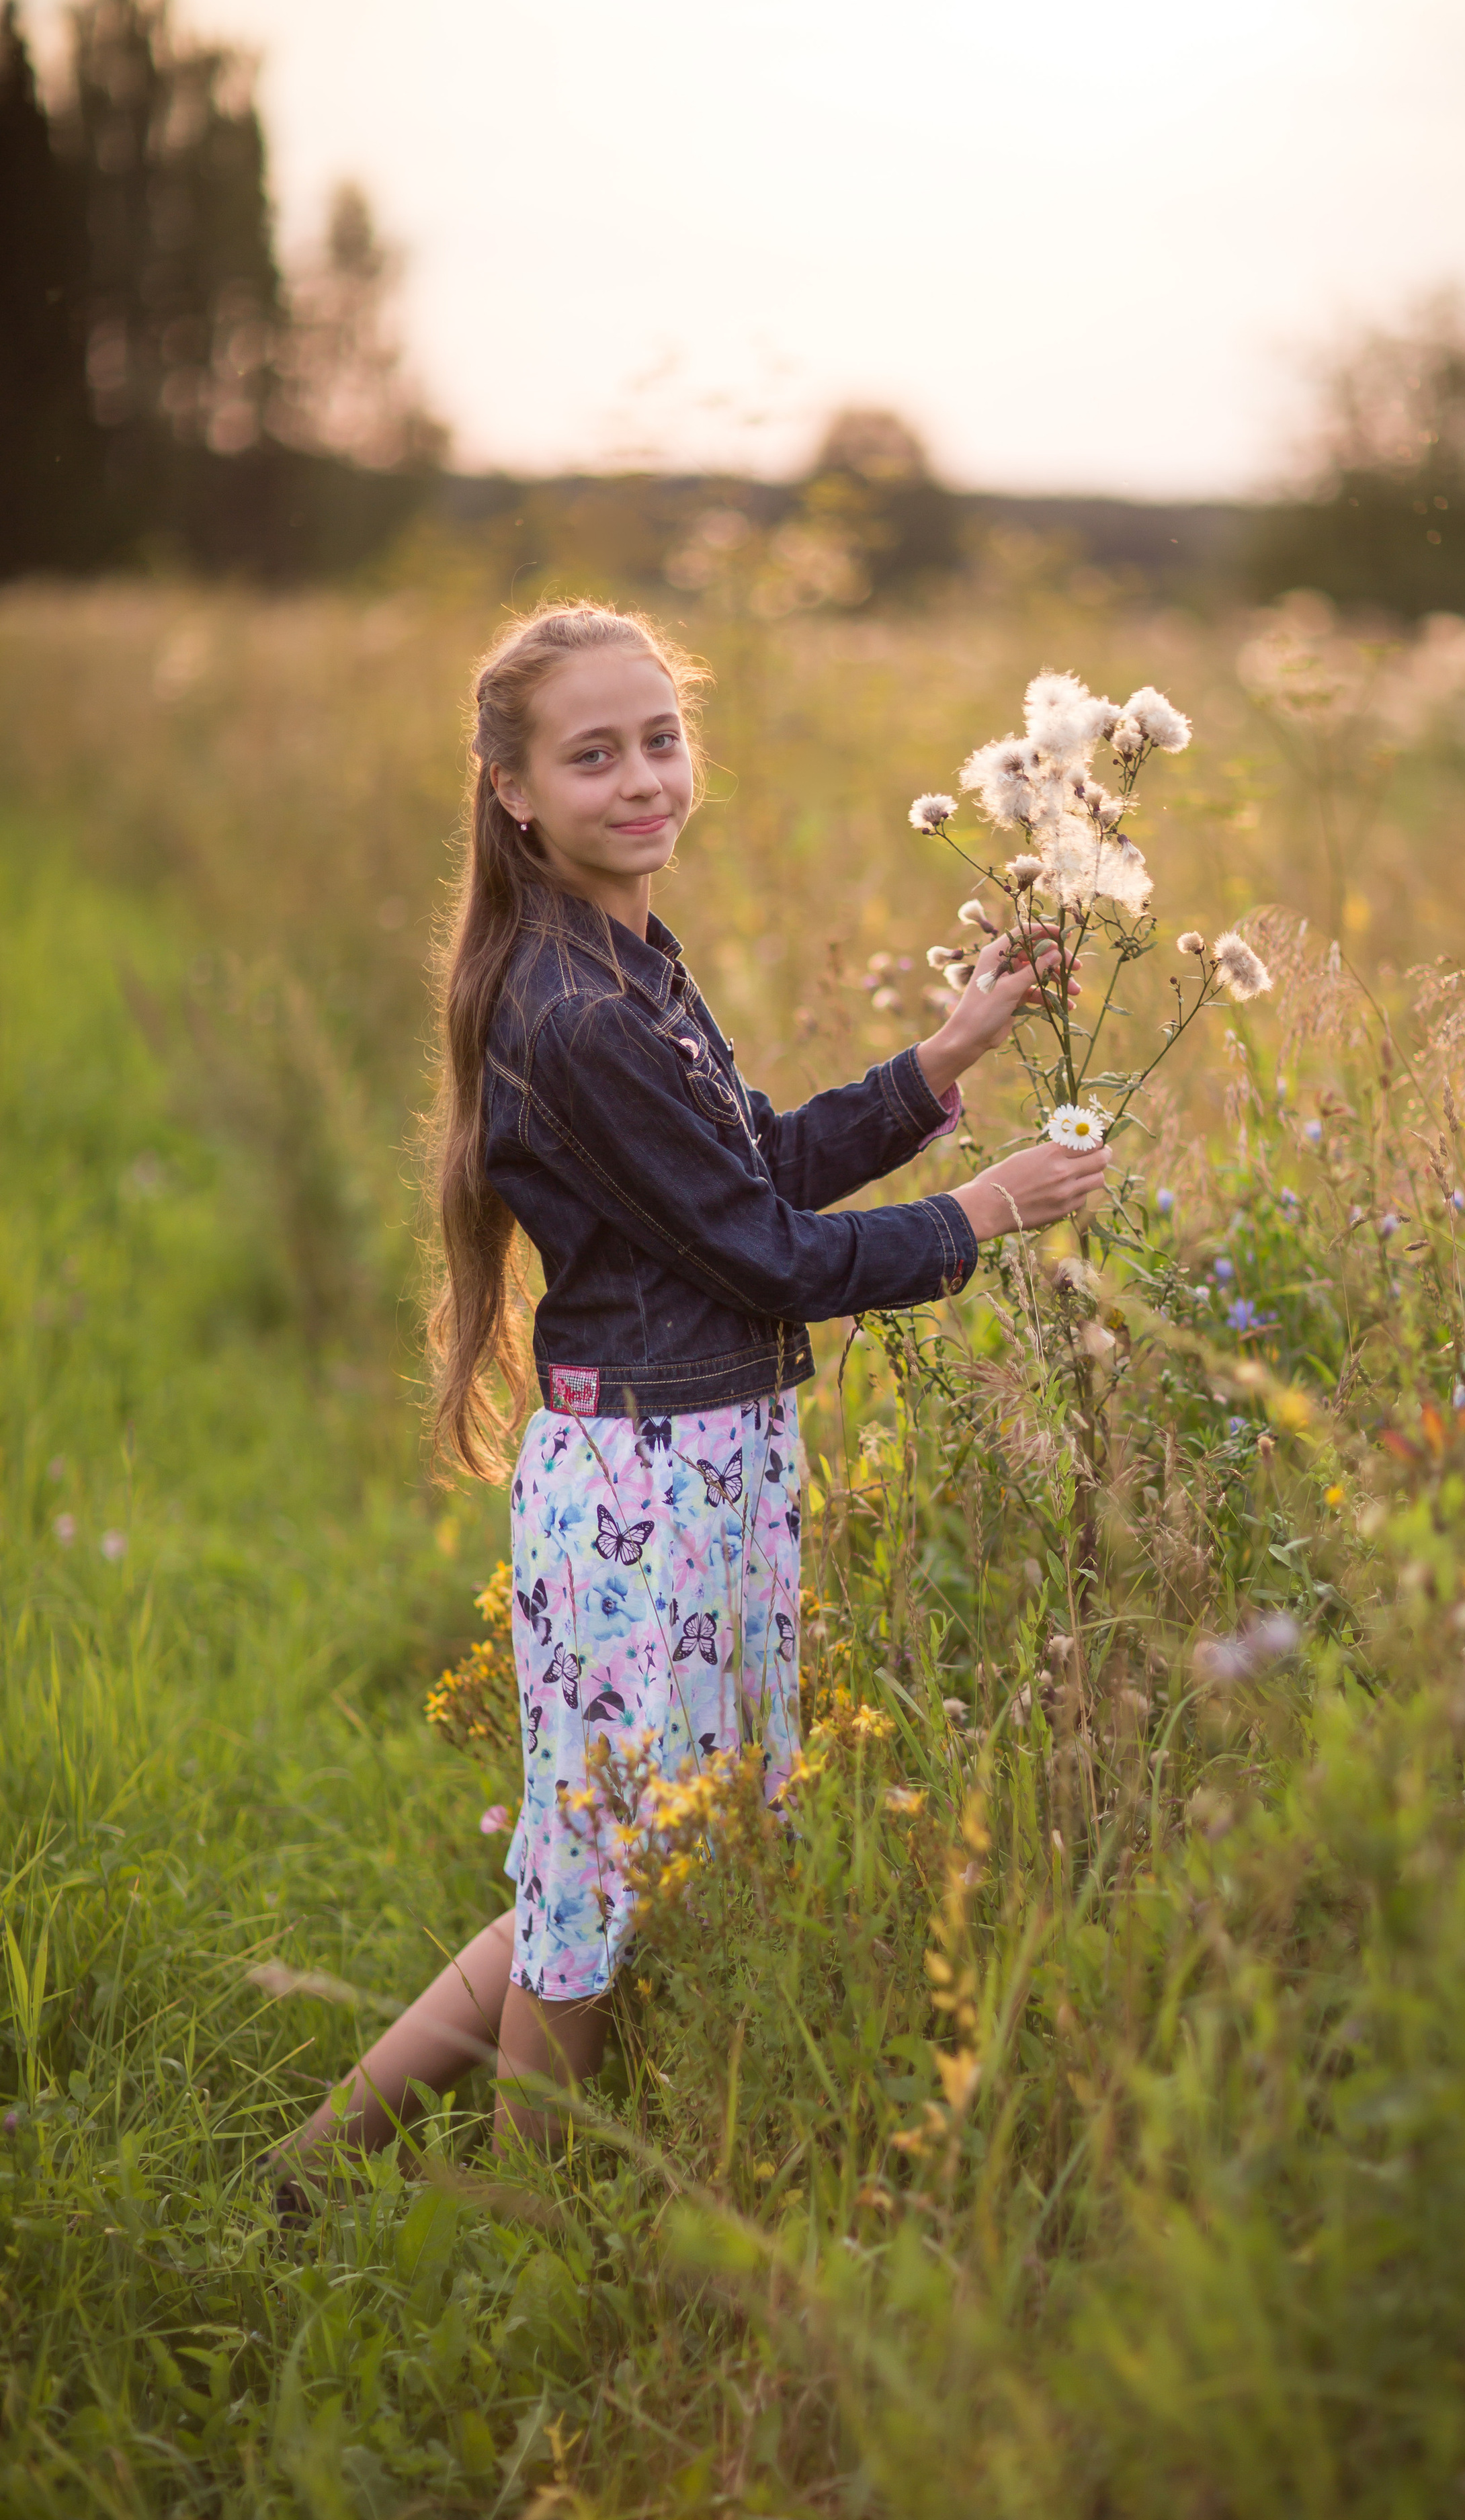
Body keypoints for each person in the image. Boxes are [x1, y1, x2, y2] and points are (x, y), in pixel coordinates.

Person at [271, 599, 1110, 2181]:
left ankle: (318, 2161)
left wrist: (939, 1062)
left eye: (661, 740)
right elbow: (767, 1256)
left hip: (706, 1463)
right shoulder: (572, 1008)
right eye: (593, 756)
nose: (643, 779)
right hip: (642, 1492)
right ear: (513, 790)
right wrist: (981, 1210)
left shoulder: (626, 955)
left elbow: (748, 1174)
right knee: (592, 1886)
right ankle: (526, 2245)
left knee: (593, 1867)